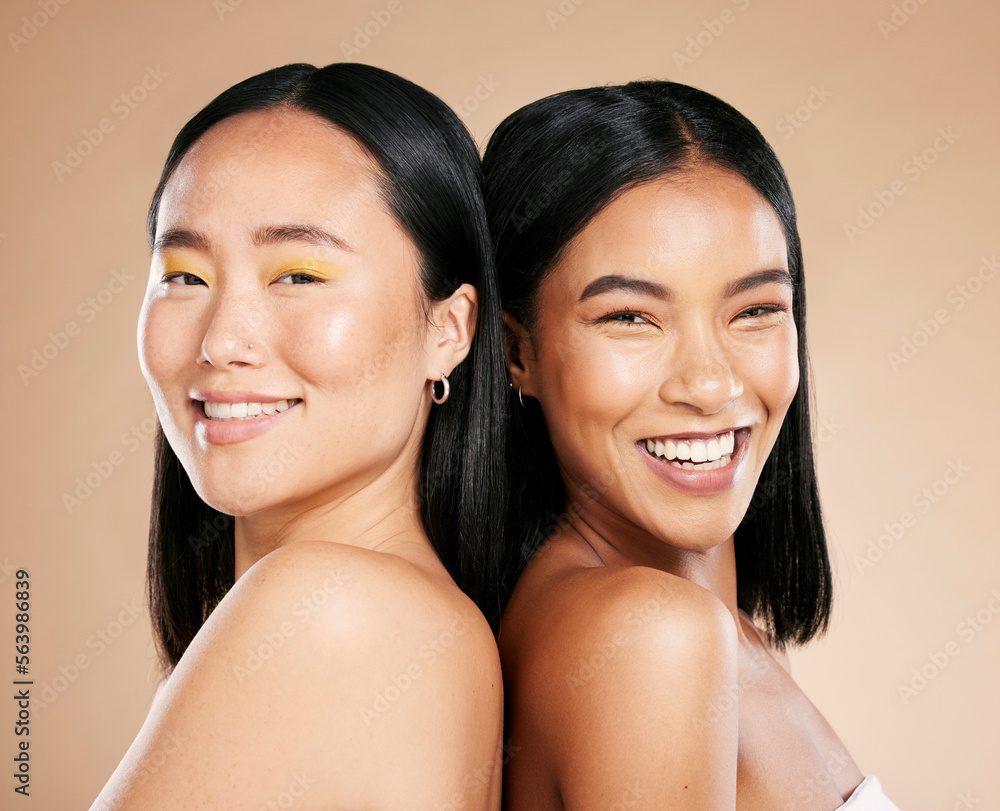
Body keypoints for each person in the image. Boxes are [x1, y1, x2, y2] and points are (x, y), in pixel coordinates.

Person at [91, 62, 506, 810]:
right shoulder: (424, 624)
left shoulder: (329, 612)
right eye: (184, 275)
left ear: (448, 330)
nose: (222, 340)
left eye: (300, 275)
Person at [483, 81, 901, 809]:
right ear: (518, 352)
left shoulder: (701, 628)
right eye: (630, 318)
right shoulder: (652, 638)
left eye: (757, 309)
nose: (708, 383)